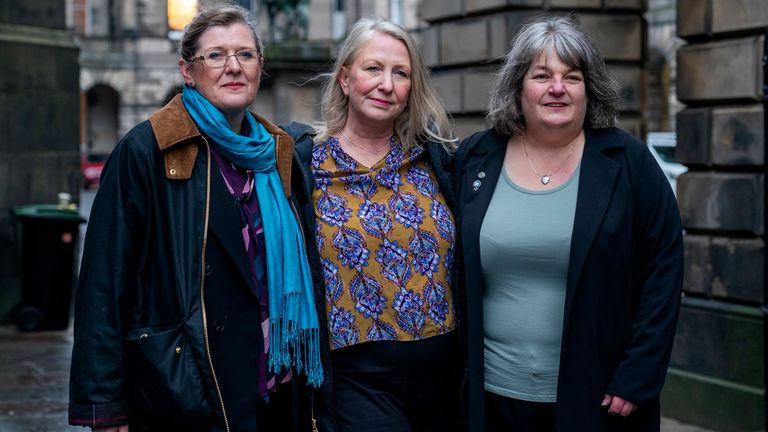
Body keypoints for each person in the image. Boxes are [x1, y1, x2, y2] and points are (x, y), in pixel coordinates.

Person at [68, 4, 327, 431]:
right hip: (186, 389)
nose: (233, 67)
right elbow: (105, 281)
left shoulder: (277, 152)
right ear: (187, 70)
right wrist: (105, 405)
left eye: (245, 54)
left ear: (260, 67)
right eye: (216, 55)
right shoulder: (147, 149)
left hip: (273, 384)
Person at [455, 15, 684, 432]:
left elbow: (663, 272)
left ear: (588, 88)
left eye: (572, 77)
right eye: (542, 75)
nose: (557, 88)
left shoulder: (628, 164)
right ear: (518, 87)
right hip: (490, 400)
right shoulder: (476, 157)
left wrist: (639, 375)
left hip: (599, 398)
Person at [282, 16, 461, 432]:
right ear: (345, 79)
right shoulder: (303, 165)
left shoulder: (437, 160)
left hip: (444, 373)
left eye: (400, 73)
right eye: (373, 69)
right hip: (355, 376)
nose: (386, 84)